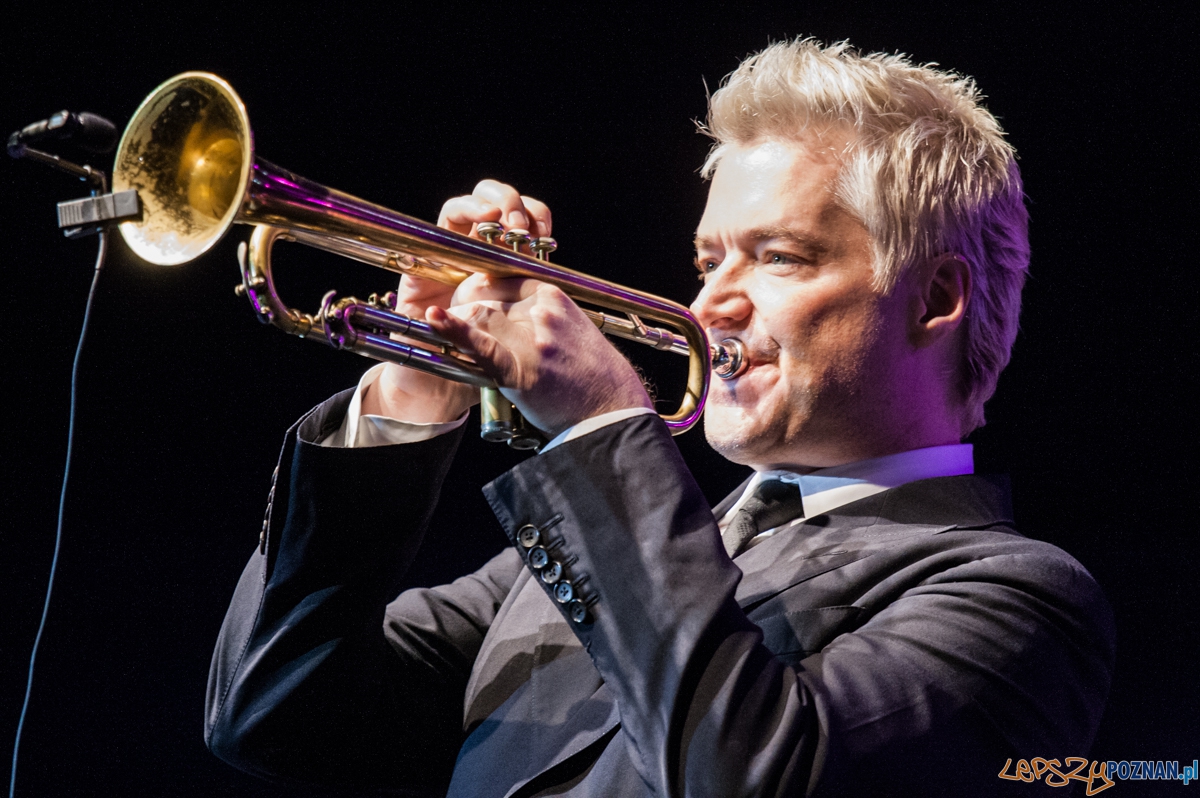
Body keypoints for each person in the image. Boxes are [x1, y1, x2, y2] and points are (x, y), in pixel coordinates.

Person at [204, 39, 1114, 796]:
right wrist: (414, 386)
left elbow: (753, 775)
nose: (712, 303)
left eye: (781, 258)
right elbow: (275, 713)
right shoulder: (568, 562)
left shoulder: (1018, 598)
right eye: (709, 259)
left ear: (935, 299)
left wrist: (600, 427)